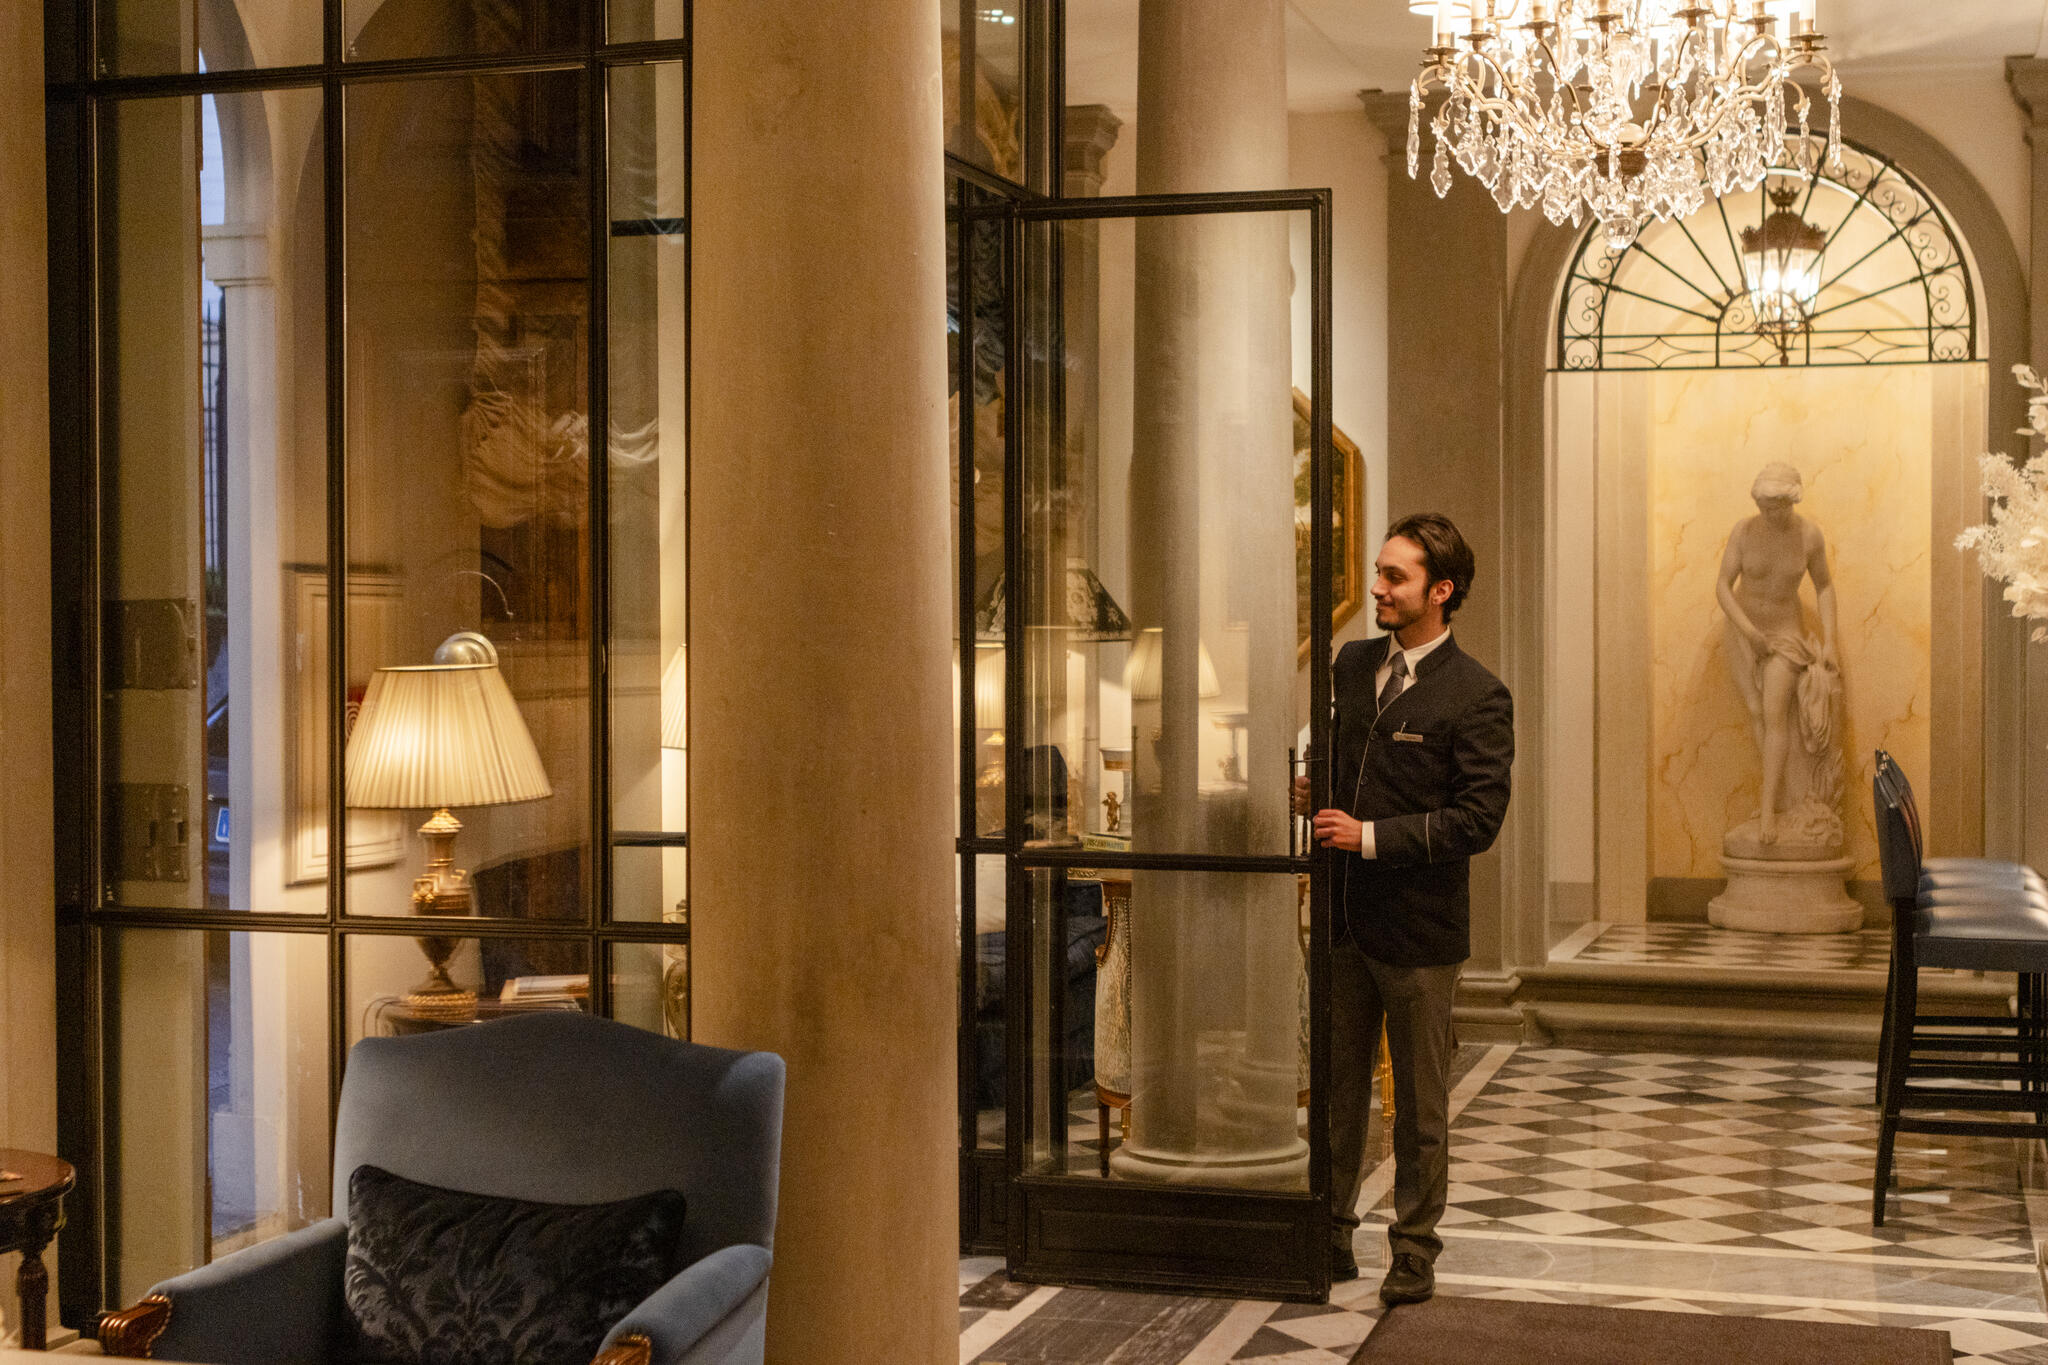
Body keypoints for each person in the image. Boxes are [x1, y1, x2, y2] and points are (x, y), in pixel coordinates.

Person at [1294, 512, 1514, 1304]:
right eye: (1379, 572)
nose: (1377, 588)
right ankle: (1328, 1235)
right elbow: (1349, 763)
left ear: (1441, 590)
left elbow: (1478, 820)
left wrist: (1368, 837)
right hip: (1343, 923)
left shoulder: (1479, 694)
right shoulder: (1353, 664)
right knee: (1335, 1095)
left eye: (1395, 577)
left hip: (1421, 934)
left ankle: (1414, 1251)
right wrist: (1315, 792)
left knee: (1420, 1107)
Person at [1714, 462, 1843, 849]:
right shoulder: (1744, 531)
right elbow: (1722, 587)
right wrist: (1750, 633)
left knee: (1774, 714)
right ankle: (1782, 796)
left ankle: (1769, 808)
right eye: (1764, 505)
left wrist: (1830, 641)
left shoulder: (1809, 536)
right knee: (1756, 712)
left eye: (1777, 506)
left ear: (1792, 501)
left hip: (1785, 635)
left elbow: (1824, 587)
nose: (1769, 513)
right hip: (1744, 632)